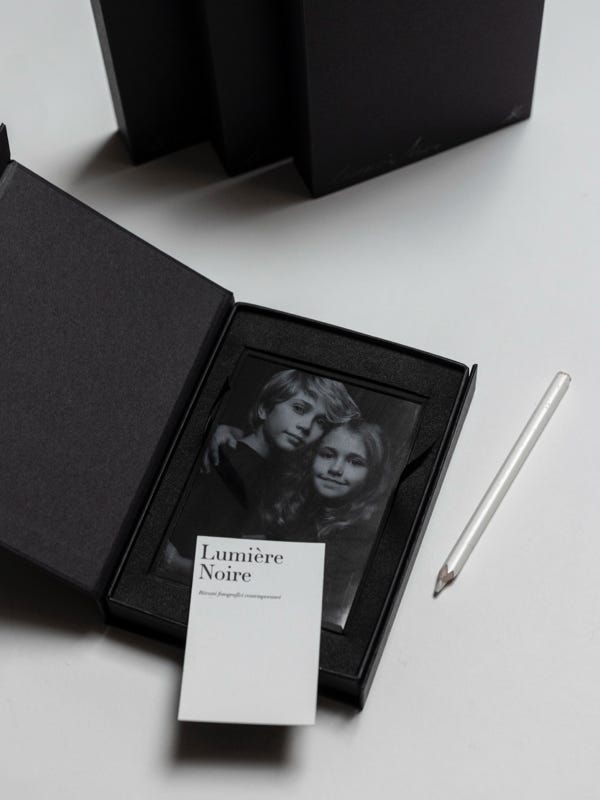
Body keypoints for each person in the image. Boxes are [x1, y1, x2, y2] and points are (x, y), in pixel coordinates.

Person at [160, 369, 360, 581]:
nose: (306, 426)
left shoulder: (268, 472)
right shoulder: (236, 463)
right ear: (264, 408)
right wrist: (176, 564)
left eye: (321, 422)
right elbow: (228, 564)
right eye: (299, 408)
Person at [264, 419, 391, 630]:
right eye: (327, 455)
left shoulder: (361, 539)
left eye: (355, 462)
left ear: (372, 475)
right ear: (312, 457)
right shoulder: (299, 509)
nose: (336, 469)